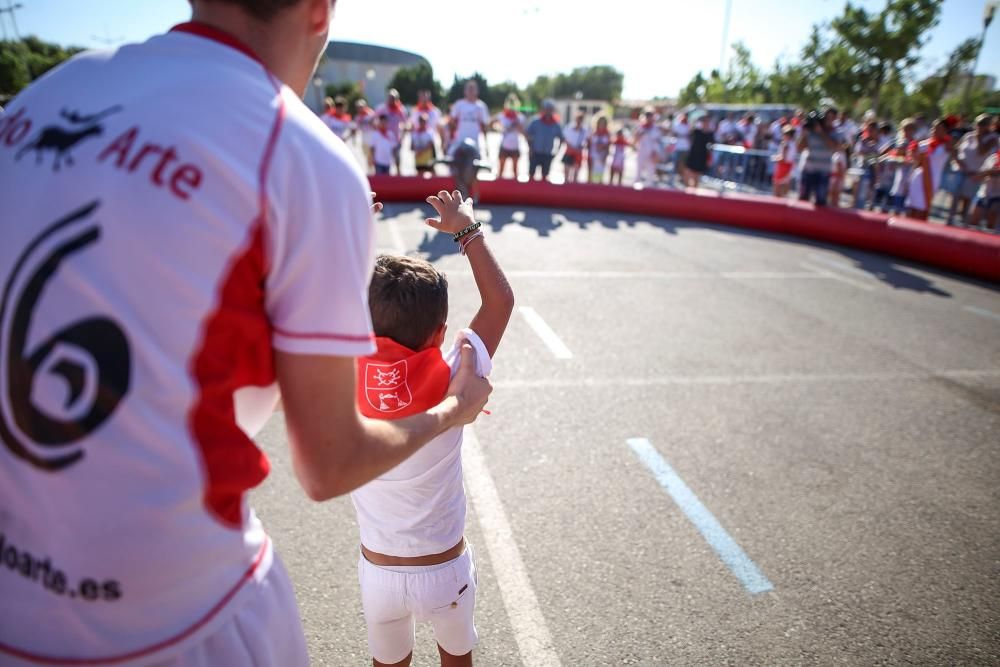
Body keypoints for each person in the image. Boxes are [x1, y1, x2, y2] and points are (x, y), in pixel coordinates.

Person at [0, 2, 492, 665]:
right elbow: (327, 465)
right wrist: (452, 410)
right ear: (320, 12)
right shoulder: (303, 155)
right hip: (175, 619)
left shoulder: (43, 97)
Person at [352, 190, 513, 667]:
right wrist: (467, 230)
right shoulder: (453, 370)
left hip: (379, 571)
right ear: (441, 332)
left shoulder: (339, 373)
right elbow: (500, 300)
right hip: (443, 570)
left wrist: (348, 238)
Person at [948, 114, 997, 226]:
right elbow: (955, 150)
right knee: (955, 197)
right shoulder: (968, 136)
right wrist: (960, 163)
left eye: (983, 124)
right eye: (978, 123)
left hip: (975, 175)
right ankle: (949, 223)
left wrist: (979, 137)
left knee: (967, 200)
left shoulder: (992, 138)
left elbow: (981, 152)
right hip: (960, 171)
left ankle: (963, 226)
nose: (979, 126)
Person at [905, 118, 955, 220]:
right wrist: (913, 152)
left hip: (932, 179)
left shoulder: (946, 145)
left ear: (945, 131)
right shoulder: (924, 144)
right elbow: (916, 161)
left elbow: (954, 150)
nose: (935, 130)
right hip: (918, 178)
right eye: (934, 128)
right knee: (912, 208)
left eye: (939, 128)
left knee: (923, 209)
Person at [797, 108, 844, 207]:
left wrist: (821, 132)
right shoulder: (810, 132)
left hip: (823, 171)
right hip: (808, 170)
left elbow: (834, 147)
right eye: (828, 117)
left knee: (821, 201)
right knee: (802, 200)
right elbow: (799, 148)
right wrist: (804, 132)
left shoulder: (836, 132)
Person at [524, 99, 563, 181]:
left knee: (545, 176)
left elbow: (561, 139)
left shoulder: (556, 124)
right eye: (546, 108)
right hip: (535, 152)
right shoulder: (535, 122)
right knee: (531, 174)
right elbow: (528, 134)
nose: (548, 111)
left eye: (550, 109)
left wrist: (556, 151)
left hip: (547, 154)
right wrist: (530, 148)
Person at [449, 80, 489, 158]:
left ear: (477, 91)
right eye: (469, 89)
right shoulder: (459, 104)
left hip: (475, 141)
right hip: (460, 140)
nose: (471, 92)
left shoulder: (481, 106)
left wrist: (487, 146)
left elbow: (484, 126)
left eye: (473, 89)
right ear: (465, 91)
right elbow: (452, 122)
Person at [375, 89, 408, 175]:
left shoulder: (401, 110)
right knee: (382, 160)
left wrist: (402, 138)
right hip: (383, 139)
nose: (391, 100)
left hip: (395, 139)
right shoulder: (382, 109)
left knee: (397, 159)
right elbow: (374, 120)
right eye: (390, 98)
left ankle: (398, 176)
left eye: (393, 98)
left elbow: (406, 124)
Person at [968, 146, 1000, 230]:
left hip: (997, 196)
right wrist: (989, 172)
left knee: (990, 225)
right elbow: (979, 175)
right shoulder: (993, 158)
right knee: (973, 221)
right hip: (984, 193)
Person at [494, 94, 524, 179]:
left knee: (515, 170)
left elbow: (522, 131)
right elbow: (491, 123)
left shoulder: (520, 117)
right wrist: (499, 128)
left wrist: (517, 124)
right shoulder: (502, 115)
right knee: (500, 170)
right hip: (504, 145)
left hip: (515, 145)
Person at [634, 109, 663, 186]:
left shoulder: (656, 128)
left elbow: (658, 141)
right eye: (648, 117)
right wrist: (639, 135)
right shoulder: (640, 127)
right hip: (642, 150)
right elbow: (635, 140)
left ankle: (649, 186)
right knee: (639, 170)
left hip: (652, 152)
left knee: (650, 171)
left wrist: (656, 152)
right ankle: (636, 185)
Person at [684, 115, 713, 188]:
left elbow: (711, 147)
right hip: (693, 154)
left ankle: (694, 193)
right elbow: (689, 131)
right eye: (704, 121)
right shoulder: (696, 131)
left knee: (697, 176)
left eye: (707, 122)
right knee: (687, 173)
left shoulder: (710, 134)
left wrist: (709, 159)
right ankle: (689, 189)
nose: (706, 123)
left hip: (702, 156)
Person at [562, 112, 589, 184]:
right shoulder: (569, 128)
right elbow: (565, 139)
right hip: (569, 152)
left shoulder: (585, 130)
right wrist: (571, 146)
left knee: (576, 173)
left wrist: (581, 146)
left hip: (578, 153)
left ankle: (573, 188)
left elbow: (586, 141)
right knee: (566, 172)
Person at [772, 125, 797, 197]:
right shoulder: (793, 144)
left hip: (783, 167)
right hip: (789, 166)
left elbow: (783, 158)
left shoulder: (786, 144)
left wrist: (775, 158)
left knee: (778, 188)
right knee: (785, 188)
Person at [587, 116, 611, 184]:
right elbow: (589, 144)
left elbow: (608, 146)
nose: (602, 124)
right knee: (591, 176)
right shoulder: (593, 132)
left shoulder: (607, 134)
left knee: (599, 174)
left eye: (603, 123)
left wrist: (605, 154)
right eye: (600, 122)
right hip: (592, 156)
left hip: (601, 157)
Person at [356, 98, 377, 169]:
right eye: (359, 107)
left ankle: (372, 170)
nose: (360, 108)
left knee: (371, 156)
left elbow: (376, 125)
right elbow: (358, 128)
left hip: (371, 137)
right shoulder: (358, 117)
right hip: (364, 138)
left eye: (361, 107)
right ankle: (370, 169)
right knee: (366, 155)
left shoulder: (371, 114)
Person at [671, 112, 691, 185]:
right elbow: (674, 133)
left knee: (684, 163)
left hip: (685, 147)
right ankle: (677, 176)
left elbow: (689, 135)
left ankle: (682, 177)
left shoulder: (688, 125)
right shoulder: (677, 124)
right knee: (677, 162)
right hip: (678, 147)